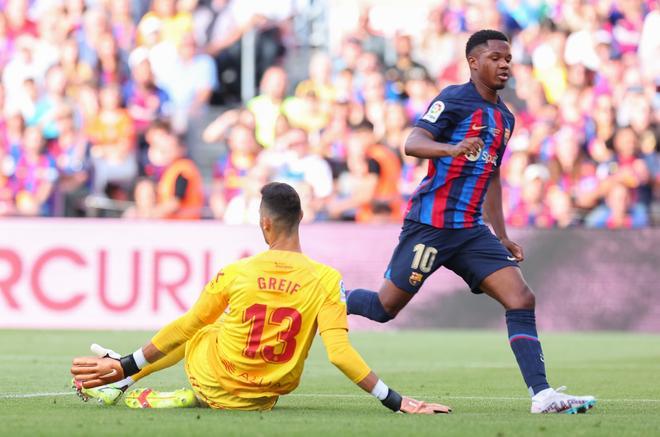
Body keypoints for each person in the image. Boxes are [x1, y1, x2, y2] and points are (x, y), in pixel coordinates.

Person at [345, 30, 596, 414]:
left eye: (508, 58)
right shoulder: (453, 100)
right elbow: (412, 142)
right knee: (383, 309)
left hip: (470, 231)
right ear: (473, 62)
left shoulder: (505, 118)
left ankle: (542, 395)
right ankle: (338, 298)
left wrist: (502, 234)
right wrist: (451, 147)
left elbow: (491, 175)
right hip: (430, 225)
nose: (505, 64)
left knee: (521, 298)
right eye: (496, 57)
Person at [71, 182, 449, 415]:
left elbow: (186, 326)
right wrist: (396, 401)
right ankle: (133, 383)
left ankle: (126, 380)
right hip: (261, 398)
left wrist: (125, 363)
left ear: (265, 223)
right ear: (300, 218)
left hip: (215, 379)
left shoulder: (237, 272)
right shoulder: (326, 280)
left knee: (203, 329)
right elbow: (339, 354)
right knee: (214, 328)